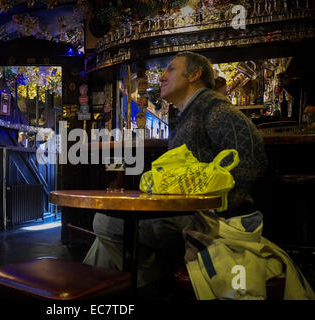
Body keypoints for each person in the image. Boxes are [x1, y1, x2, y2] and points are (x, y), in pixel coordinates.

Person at [83, 51, 268, 288]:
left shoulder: (213, 107)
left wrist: (217, 209)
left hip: (208, 221)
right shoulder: (190, 112)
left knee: (105, 223)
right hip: (185, 213)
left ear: (194, 75)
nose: (161, 77)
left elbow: (251, 151)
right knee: (106, 231)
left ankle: (151, 282)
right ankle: (96, 294)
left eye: (170, 69)